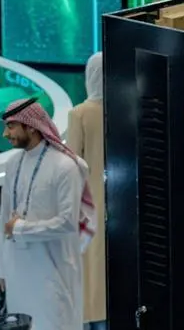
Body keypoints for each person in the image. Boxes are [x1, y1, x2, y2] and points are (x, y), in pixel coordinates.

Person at [0, 98, 93, 330]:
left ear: (31, 126)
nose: (5, 134)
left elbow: (68, 223)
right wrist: (2, 270)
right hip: (17, 271)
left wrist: (20, 229)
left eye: (11, 126)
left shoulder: (65, 167)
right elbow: (4, 218)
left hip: (53, 270)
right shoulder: (12, 164)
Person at [66, 55, 106, 330]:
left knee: (90, 272)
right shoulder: (123, 109)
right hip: (118, 201)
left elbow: (72, 166)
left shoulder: (78, 114)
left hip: (88, 206)